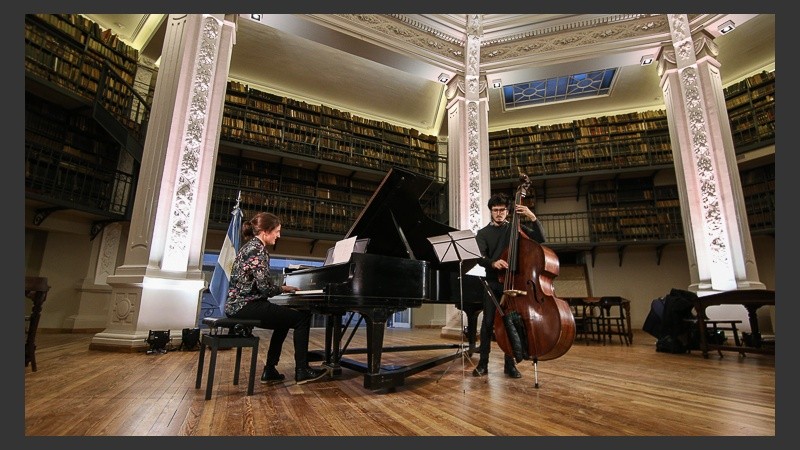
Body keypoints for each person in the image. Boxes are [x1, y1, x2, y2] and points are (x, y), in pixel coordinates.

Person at [225, 212, 329, 385]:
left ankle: (270, 369)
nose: (279, 235)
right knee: (302, 319)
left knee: (283, 321)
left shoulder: (248, 247)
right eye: (277, 231)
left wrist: (281, 289)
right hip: (246, 306)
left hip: (238, 305)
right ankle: (302, 370)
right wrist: (282, 288)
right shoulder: (258, 250)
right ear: (265, 231)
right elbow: (265, 288)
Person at [473, 193, 546, 378]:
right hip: (493, 283)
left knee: (511, 324)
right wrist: (493, 263)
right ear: (491, 211)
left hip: (514, 282)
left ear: (508, 211)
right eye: (495, 210)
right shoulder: (483, 233)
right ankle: (483, 364)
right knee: (488, 324)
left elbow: (540, 239)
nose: (499, 213)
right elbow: (479, 257)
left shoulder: (516, 229)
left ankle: (510, 365)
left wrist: (532, 217)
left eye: (502, 210)